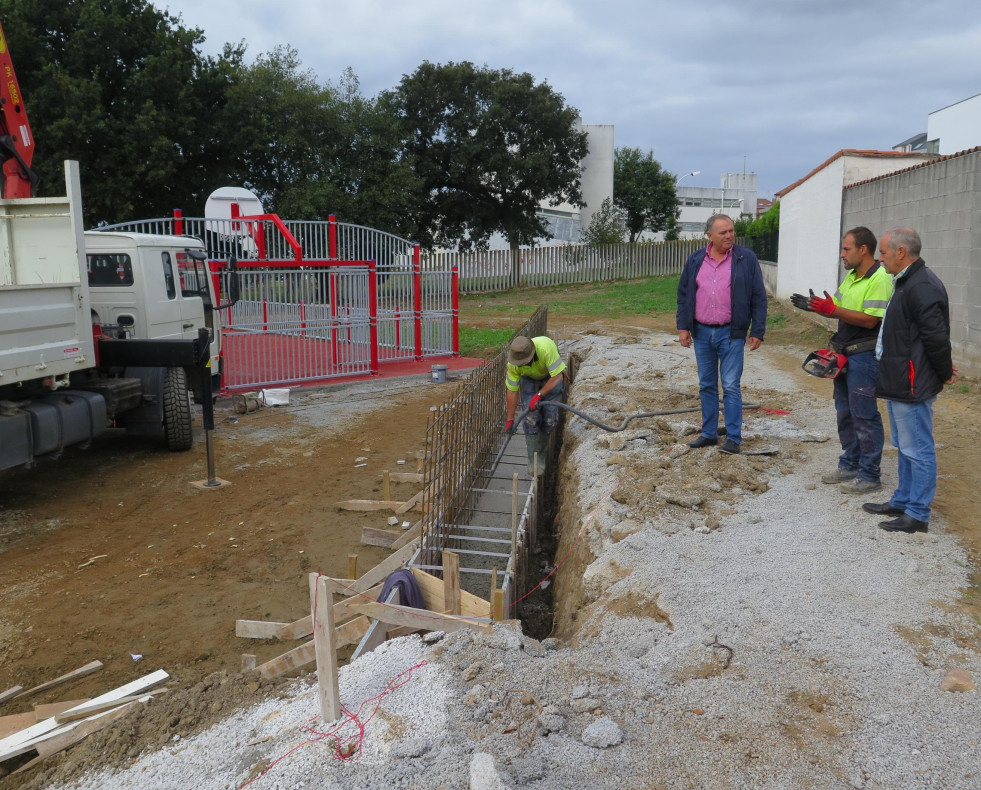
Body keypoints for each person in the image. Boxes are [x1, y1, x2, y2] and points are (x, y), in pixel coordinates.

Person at [862, 228, 956, 533]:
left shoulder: (921, 286)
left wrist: (943, 372)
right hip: (900, 378)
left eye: (884, 253)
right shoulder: (905, 282)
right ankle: (903, 499)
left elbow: (936, 338)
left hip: (912, 382)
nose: (880, 258)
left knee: (918, 448)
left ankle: (918, 513)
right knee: (904, 445)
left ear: (901, 252)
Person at [791, 227, 892, 494]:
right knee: (844, 412)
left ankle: (870, 475)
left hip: (865, 356)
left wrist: (833, 309)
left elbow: (872, 319)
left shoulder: (880, 278)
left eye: (846, 249)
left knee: (864, 414)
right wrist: (817, 307)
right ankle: (850, 463)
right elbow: (839, 310)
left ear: (863, 250)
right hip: (845, 354)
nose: (841, 254)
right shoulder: (851, 277)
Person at [676, 214, 767, 454]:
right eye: (723, 232)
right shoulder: (696, 259)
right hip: (702, 332)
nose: (729, 236)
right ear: (709, 236)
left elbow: (758, 296)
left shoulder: (745, 259)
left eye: (731, 231)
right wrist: (683, 327)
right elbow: (684, 294)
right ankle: (708, 434)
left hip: (731, 333)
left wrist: (757, 330)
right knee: (706, 385)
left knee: (730, 386)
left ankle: (734, 438)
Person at [504, 335, 565, 475]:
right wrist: (510, 418)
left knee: (550, 418)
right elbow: (512, 391)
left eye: (524, 362)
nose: (521, 364)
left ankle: (541, 453)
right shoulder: (513, 364)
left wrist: (539, 394)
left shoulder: (546, 349)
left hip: (551, 375)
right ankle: (534, 458)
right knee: (530, 419)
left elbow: (558, 376)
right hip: (528, 378)